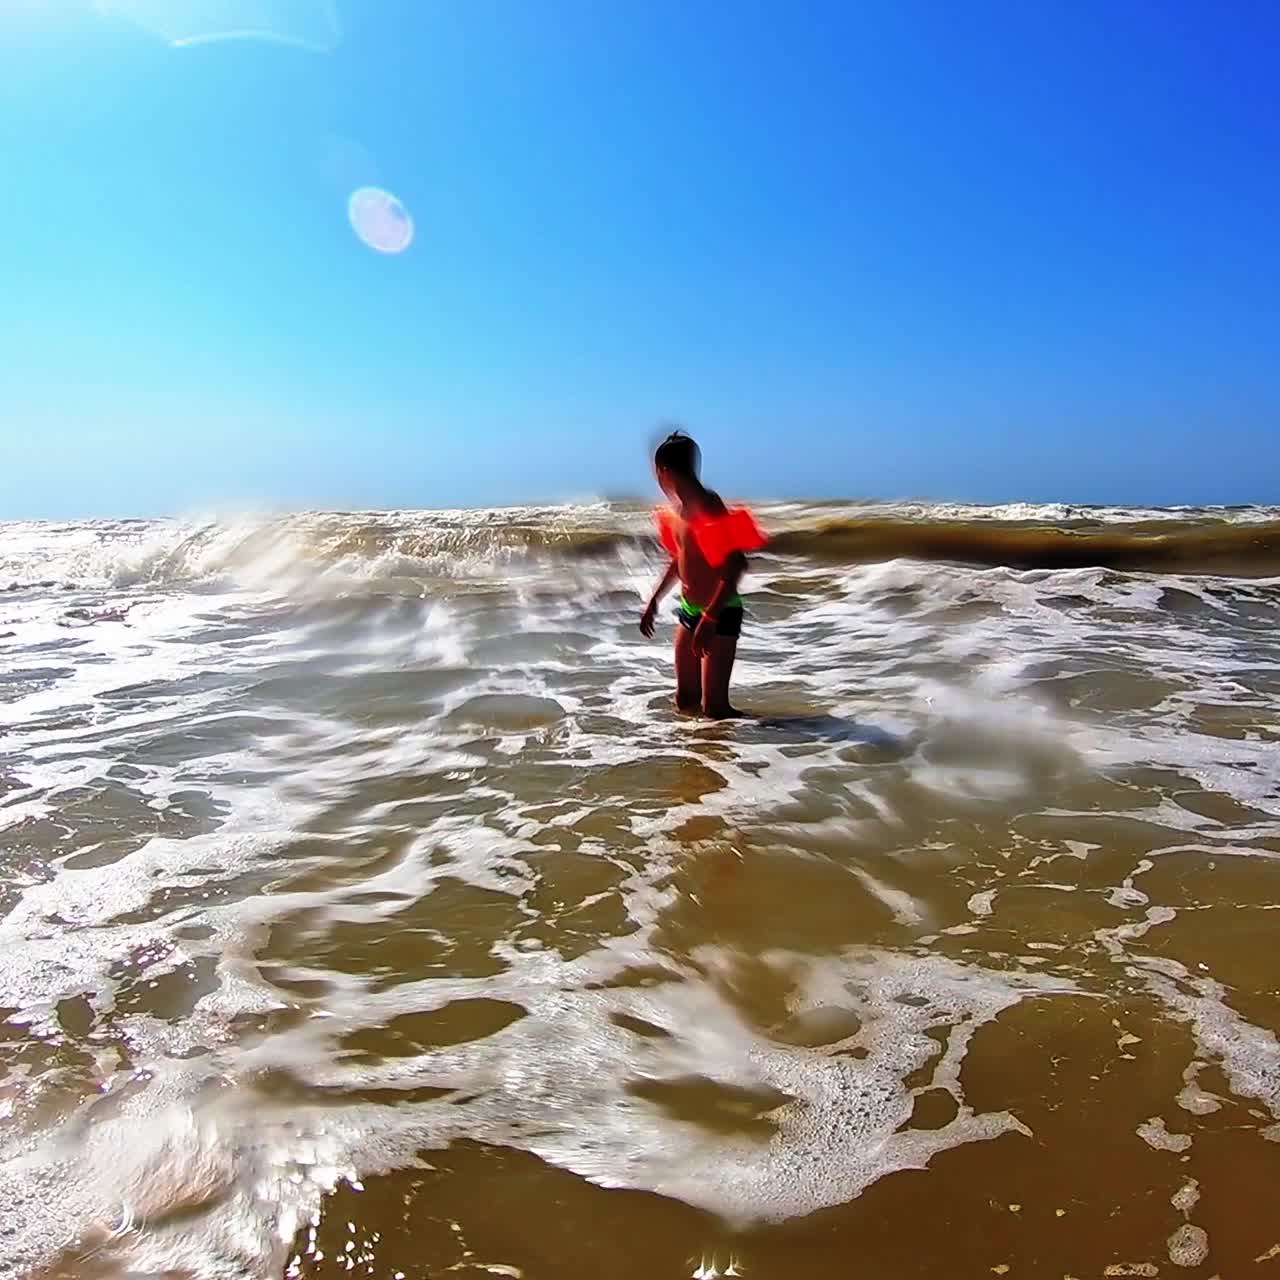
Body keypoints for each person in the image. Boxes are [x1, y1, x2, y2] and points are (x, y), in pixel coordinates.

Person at [640, 430, 762, 719]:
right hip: (690, 611)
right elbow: (680, 559)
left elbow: (736, 565)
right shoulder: (678, 511)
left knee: (715, 709)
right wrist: (655, 599)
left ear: (664, 471)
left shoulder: (707, 505)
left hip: (719, 612)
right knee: (686, 701)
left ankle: (777, 734)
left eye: (656, 473)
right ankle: (696, 758)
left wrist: (710, 617)